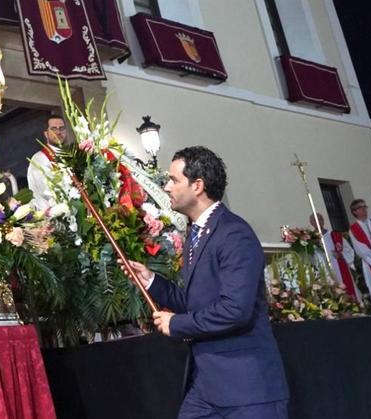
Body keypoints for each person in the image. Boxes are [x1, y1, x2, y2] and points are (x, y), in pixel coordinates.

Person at [126, 146, 288, 418]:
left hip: (246, 388)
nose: (166, 187)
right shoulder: (196, 234)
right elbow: (196, 302)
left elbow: (235, 310)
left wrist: (176, 324)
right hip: (207, 386)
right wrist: (151, 280)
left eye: (174, 180)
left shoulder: (234, 233)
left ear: (197, 185)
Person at [308, 212, 358, 301]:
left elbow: (349, 250)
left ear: (323, 220)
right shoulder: (310, 241)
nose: (318, 222)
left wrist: (341, 255)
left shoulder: (334, 236)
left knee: (346, 292)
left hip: (339, 269)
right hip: (323, 272)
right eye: (314, 220)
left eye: (320, 219)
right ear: (311, 223)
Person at [26, 114, 68, 210]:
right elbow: (45, 190)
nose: (58, 132)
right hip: (53, 213)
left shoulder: (69, 154)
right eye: (53, 129)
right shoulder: (39, 158)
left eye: (61, 128)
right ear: (46, 133)